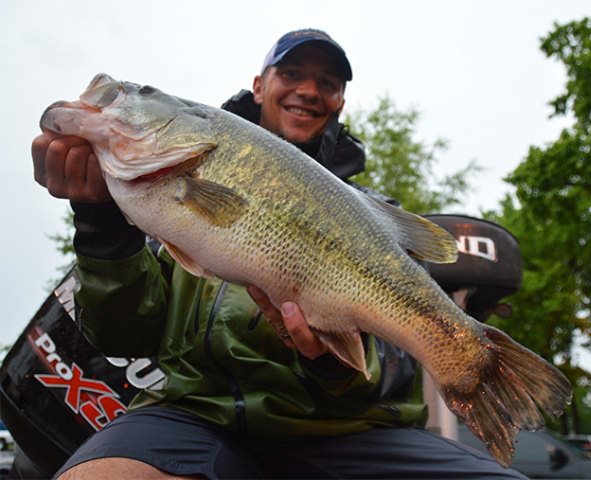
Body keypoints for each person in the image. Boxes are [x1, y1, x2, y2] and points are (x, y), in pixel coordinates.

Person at [33, 29, 527, 479]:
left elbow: (393, 366)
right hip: (195, 415)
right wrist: (99, 225)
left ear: (340, 101)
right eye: (291, 74)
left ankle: (474, 361)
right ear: (259, 85)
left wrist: (330, 362)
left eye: (327, 83)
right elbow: (124, 335)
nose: (308, 90)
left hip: (350, 430)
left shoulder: (376, 215)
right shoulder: (154, 199)